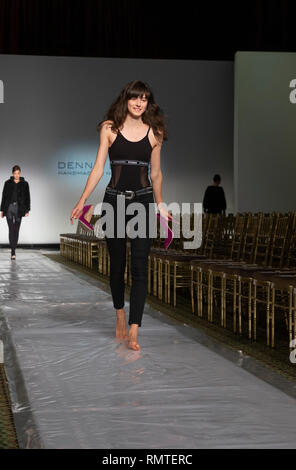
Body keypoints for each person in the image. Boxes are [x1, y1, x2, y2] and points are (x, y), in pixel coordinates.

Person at [70, 80, 169, 351]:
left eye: (145, 99)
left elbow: (156, 174)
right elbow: (98, 168)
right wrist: (82, 202)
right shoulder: (109, 128)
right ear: (126, 99)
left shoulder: (155, 132)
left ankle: (135, 330)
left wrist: (160, 204)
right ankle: (120, 314)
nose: (139, 103)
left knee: (139, 266)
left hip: (144, 201)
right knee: (117, 265)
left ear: (149, 103)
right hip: (114, 201)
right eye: (135, 98)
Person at [0, 165, 31, 259]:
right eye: (15, 173)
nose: (16, 175)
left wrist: (27, 209)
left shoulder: (25, 184)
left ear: (20, 173)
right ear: (12, 173)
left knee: (16, 230)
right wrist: (1, 209)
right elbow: (4, 196)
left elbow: (27, 197)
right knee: (11, 229)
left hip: (19, 208)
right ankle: (13, 252)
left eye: (18, 173)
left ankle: (13, 250)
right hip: (9, 207)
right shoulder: (7, 183)